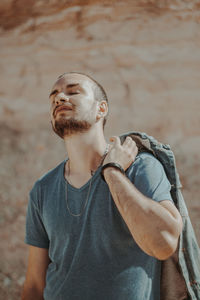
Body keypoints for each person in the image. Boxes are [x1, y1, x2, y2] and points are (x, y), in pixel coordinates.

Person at [22, 72, 183, 300]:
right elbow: (35, 285)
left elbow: (164, 244)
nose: (60, 98)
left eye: (73, 91)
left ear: (102, 109)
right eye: (54, 96)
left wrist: (113, 171)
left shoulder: (140, 168)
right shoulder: (43, 189)